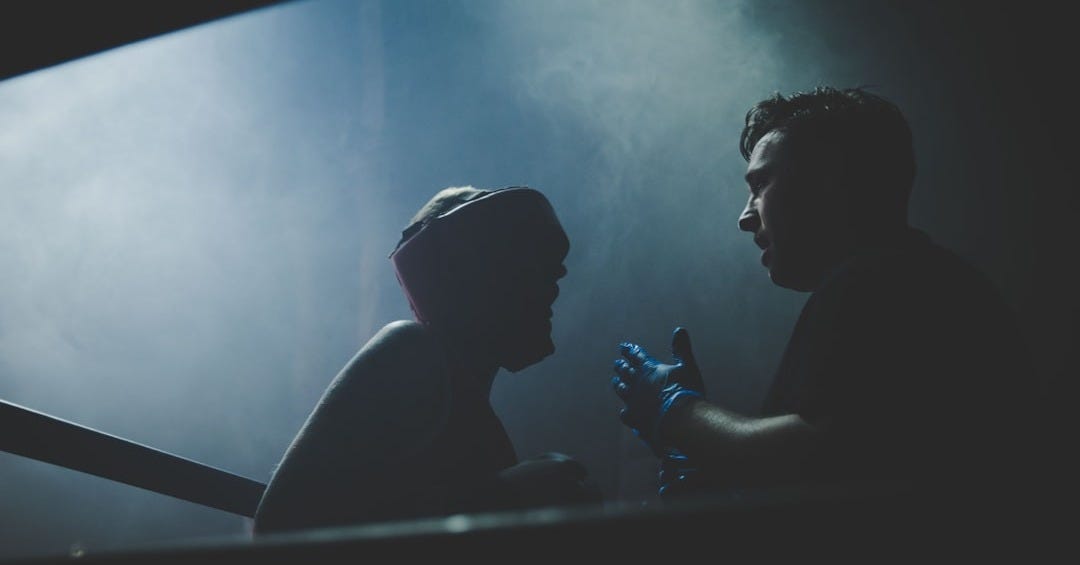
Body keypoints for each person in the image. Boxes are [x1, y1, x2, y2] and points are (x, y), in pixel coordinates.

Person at [610, 87, 1039, 516]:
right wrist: (704, 463)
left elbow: (813, 459)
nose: (745, 217)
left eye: (760, 183)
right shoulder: (922, 278)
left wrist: (679, 412)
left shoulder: (877, 281)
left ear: (829, 179)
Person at [254, 186, 599, 534]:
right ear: (474, 270)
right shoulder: (412, 351)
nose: (555, 280)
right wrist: (503, 496)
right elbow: (280, 522)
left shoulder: (479, 420)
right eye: (526, 256)